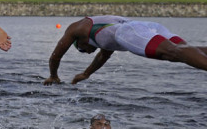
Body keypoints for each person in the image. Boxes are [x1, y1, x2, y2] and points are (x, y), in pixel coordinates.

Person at [43, 16, 207, 85]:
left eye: (82, 50)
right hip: (147, 26)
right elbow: (103, 56)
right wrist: (86, 74)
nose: (87, 52)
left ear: (79, 43)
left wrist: (53, 75)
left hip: (130, 32)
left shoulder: (76, 29)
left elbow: (56, 56)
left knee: (173, 53)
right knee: (185, 52)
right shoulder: (103, 40)